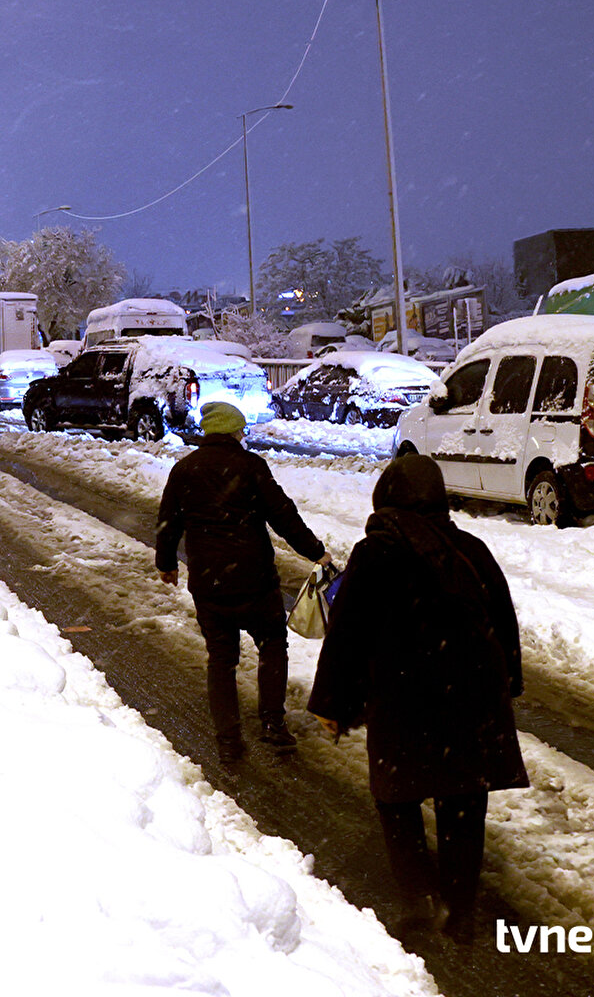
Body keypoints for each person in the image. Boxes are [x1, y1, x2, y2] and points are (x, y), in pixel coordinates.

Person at [308, 454, 528, 943]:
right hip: (470, 701)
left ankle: (418, 897)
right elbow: (504, 625)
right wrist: (507, 684)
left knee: (397, 799)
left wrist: (333, 705)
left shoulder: (375, 555)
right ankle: (460, 906)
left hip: (403, 702)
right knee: (463, 805)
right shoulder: (470, 549)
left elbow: (346, 638)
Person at [155, 401, 331, 763]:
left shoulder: (184, 469)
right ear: (235, 432)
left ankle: (229, 739)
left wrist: (167, 563)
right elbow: (283, 515)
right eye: (241, 430)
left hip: (209, 583)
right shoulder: (251, 467)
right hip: (254, 581)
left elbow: (168, 521)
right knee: (271, 645)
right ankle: (272, 724)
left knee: (221, 658)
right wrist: (315, 551)